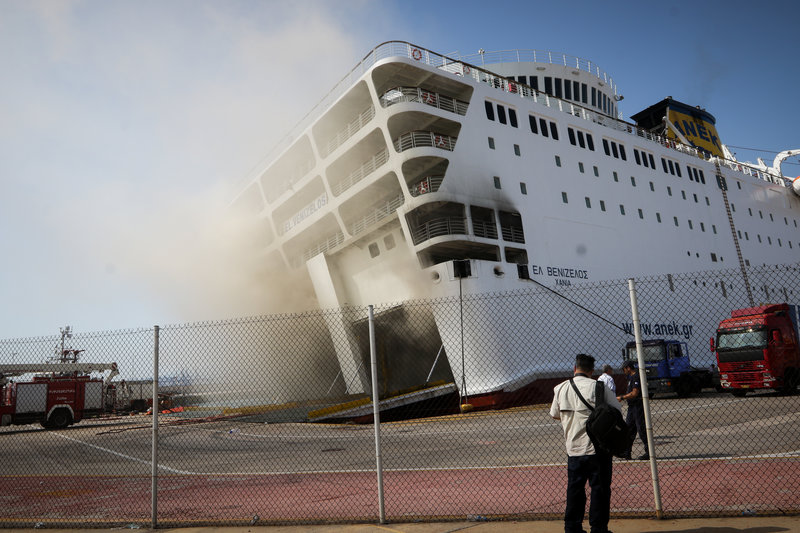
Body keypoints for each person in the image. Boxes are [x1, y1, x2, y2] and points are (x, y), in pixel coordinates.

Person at [551, 353, 622, 533]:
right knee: (600, 489)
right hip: (597, 449)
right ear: (592, 371)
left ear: (574, 368)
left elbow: (555, 414)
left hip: (573, 449)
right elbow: (617, 410)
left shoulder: (560, 388)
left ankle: (572, 527)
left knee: (574, 489)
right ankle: (598, 528)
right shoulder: (599, 387)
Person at [617, 361, 649, 461]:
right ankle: (627, 452)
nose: (624, 371)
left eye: (624, 369)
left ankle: (649, 451)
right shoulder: (630, 378)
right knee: (629, 429)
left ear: (628, 368)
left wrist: (622, 397)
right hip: (632, 407)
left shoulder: (636, 377)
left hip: (637, 406)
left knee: (641, 429)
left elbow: (635, 393)